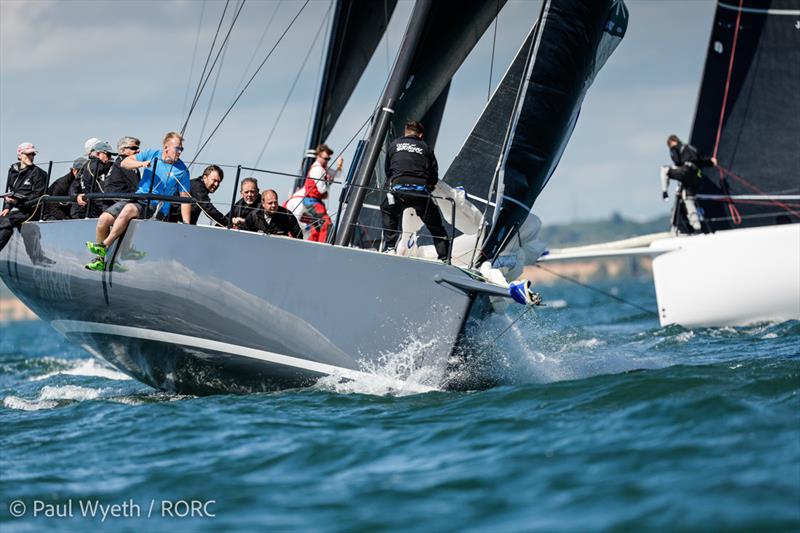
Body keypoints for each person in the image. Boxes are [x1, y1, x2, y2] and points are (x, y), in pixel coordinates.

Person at [84, 132, 191, 271]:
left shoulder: (182, 170)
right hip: (138, 200)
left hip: (156, 207)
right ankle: (100, 261)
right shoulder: (151, 154)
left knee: (129, 209)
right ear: (166, 147)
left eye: (181, 149)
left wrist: (187, 224)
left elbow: (185, 198)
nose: (180, 152)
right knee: (103, 219)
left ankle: (104, 246)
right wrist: (141, 164)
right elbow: (124, 162)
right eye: (177, 148)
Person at [380, 120, 449, 261]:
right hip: (420, 193)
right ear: (420, 134)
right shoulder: (426, 148)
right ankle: (445, 258)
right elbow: (433, 176)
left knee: (387, 210)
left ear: (405, 132)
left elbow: (388, 171)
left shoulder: (394, 145)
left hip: (398, 192)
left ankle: (390, 247)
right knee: (436, 226)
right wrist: (427, 187)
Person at [89, 138, 142, 257]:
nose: (138, 151)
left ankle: (103, 256)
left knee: (104, 220)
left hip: (111, 203)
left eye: (138, 148)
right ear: (123, 150)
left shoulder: (119, 163)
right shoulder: (126, 164)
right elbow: (137, 189)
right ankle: (109, 255)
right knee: (105, 219)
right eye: (134, 148)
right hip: (119, 201)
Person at [661, 134, 717, 233]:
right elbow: (701, 160)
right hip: (696, 176)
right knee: (688, 199)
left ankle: (665, 193)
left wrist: (674, 155)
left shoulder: (675, 147)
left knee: (664, 169)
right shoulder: (691, 147)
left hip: (686, 171)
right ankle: (697, 226)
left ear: (672, 142)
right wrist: (711, 162)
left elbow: (677, 161)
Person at [0, 142, 48, 253]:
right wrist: (7, 207)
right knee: (5, 225)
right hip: (16, 209)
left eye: (33, 154)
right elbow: (11, 191)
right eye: (28, 154)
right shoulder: (13, 170)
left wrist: (18, 201)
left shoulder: (40, 174)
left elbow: (37, 196)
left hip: (30, 211)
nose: (31, 157)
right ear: (20, 155)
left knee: (5, 222)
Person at [295, 144, 342, 242]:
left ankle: (312, 244)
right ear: (318, 156)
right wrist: (329, 181)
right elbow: (322, 189)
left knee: (316, 227)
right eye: (325, 158)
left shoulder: (323, 168)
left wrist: (339, 166)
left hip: (315, 202)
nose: (326, 160)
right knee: (327, 223)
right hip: (312, 202)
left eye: (328, 158)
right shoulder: (318, 169)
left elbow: (337, 174)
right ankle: (323, 245)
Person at [69, 140, 115, 219]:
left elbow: (73, 187)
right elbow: (102, 192)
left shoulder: (86, 165)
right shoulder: (97, 167)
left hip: (86, 211)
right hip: (97, 212)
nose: (110, 158)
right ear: (98, 154)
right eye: (108, 154)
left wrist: (76, 196)